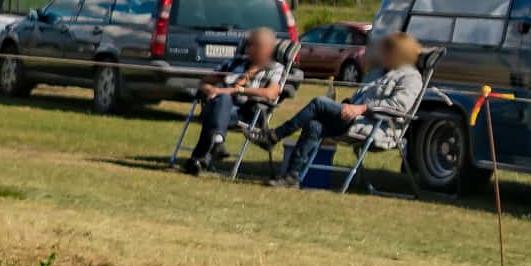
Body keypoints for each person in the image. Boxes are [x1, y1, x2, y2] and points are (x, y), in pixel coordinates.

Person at [257, 29, 427, 174]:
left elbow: (398, 107)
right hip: (353, 118)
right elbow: (358, 99)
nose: (382, 53)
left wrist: (361, 108)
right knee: (314, 125)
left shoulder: (411, 78)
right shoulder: (379, 73)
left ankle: (274, 136)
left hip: (377, 126)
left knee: (318, 103)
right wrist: (347, 102)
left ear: (399, 53)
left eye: (386, 50)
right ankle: (292, 176)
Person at [177, 27, 292, 172]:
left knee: (217, 108)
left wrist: (238, 90)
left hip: (246, 113)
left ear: (268, 49)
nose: (249, 49)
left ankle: (201, 156)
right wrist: (211, 90)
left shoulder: (275, 69)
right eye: (249, 45)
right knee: (221, 101)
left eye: (256, 46)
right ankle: (215, 143)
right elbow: (203, 82)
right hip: (219, 106)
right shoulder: (235, 62)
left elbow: (271, 93)